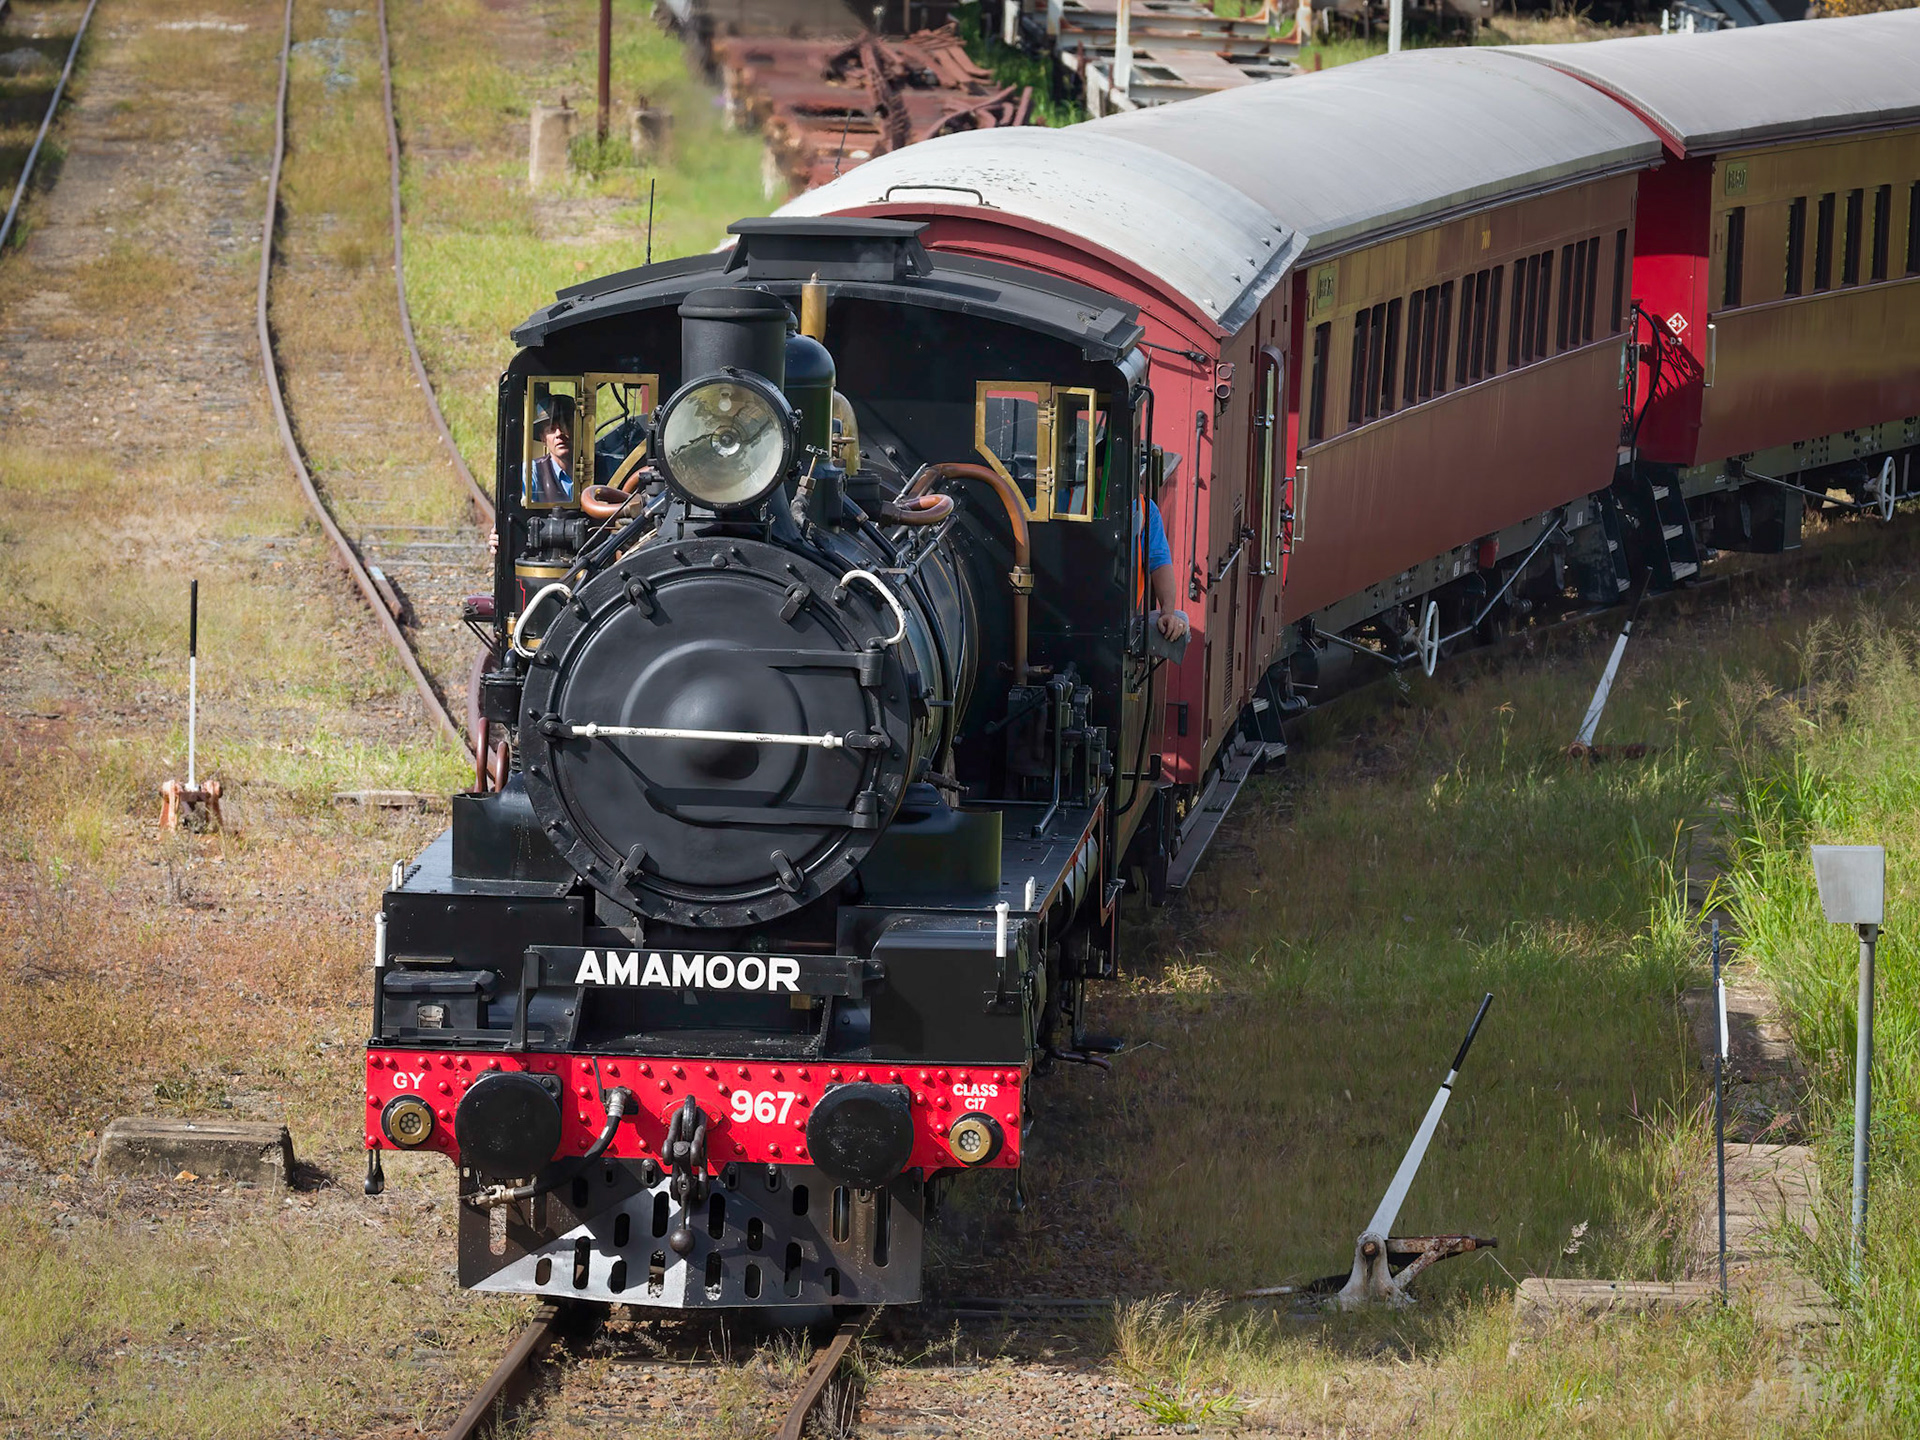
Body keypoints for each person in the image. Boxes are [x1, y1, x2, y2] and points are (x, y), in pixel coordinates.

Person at [1145, 492, 1190, 643]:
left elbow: (1159, 562)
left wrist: (1167, 612)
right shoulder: (1072, 500)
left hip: (1120, 615)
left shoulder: (1145, 510)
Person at [525, 393, 577, 505]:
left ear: (577, 429)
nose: (559, 434)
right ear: (543, 438)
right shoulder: (531, 472)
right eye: (551, 429)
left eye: (564, 426)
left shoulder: (602, 465)